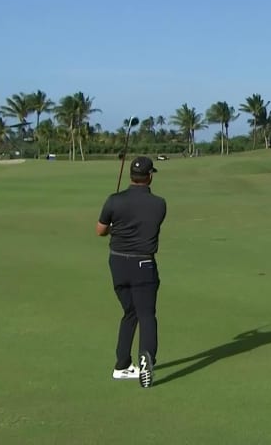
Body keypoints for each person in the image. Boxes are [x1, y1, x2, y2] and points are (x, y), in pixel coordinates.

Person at [96, 156, 166, 388]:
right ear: (150, 177)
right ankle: (147, 361)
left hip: (117, 263)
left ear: (130, 177)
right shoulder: (159, 204)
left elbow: (100, 231)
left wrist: (114, 224)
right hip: (143, 264)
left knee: (130, 312)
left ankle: (122, 365)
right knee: (146, 314)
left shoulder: (114, 200)